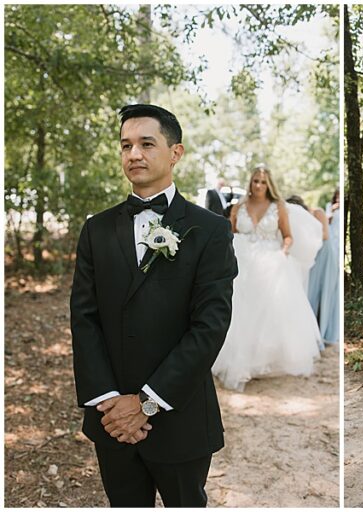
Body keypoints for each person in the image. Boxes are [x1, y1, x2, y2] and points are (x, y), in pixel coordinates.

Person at [71, 104, 237, 507]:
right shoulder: (97, 229)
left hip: (179, 415)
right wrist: (109, 400)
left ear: (175, 153)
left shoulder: (210, 230)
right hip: (111, 420)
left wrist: (146, 403)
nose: (134, 154)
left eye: (147, 143)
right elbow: (84, 317)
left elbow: (210, 325)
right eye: (126, 145)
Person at [211, 166, 321, 391]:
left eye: (262, 182)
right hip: (241, 262)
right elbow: (229, 234)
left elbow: (287, 236)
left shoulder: (278, 207)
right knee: (240, 312)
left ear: (268, 185)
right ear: (250, 183)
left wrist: (282, 253)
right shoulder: (239, 207)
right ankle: (238, 360)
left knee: (267, 314)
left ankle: (262, 360)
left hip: (270, 261)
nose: (258, 186)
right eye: (255, 181)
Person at [307, 189, 340, 345]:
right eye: (337, 196)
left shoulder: (319, 211)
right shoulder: (328, 207)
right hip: (324, 246)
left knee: (328, 288)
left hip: (330, 246)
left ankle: (326, 328)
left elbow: (325, 234)